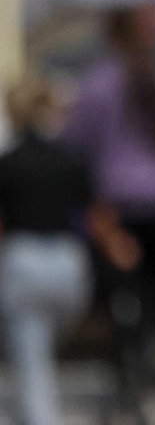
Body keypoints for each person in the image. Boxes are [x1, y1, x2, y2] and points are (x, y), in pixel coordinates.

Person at [60, 3, 155, 394]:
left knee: (130, 308)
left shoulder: (98, 84)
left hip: (123, 211)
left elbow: (77, 153)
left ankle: (143, 381)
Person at [0, 75, 140, 425]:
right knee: (41, 349)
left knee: (32, 356)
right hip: (67, 263)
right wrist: (119, 246)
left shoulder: (9, 162)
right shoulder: (71, 158)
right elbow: (98, 217)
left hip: (24, 258)